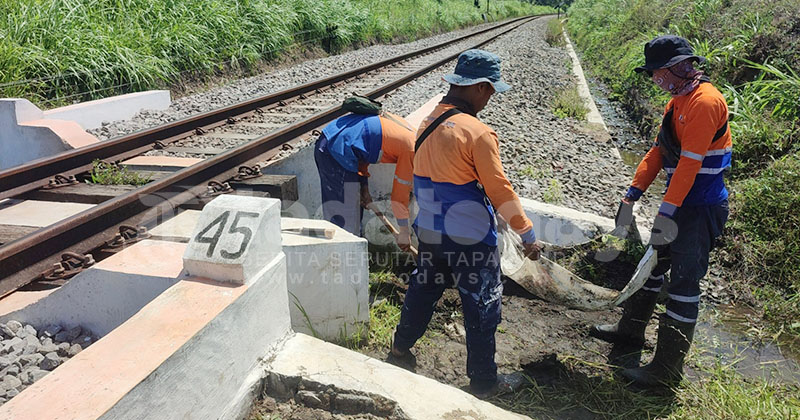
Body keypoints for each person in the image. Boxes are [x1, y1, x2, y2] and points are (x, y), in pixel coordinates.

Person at [388, 49, 541, 397]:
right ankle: (485, 382)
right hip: (469, 239)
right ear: (478, 88)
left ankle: (399, 347)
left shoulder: (427, 121)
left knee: (423, 290)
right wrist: (527, 234)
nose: (489, 98)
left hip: (429, 229)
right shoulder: (477, 132)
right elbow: (500, 190)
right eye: (489, 90)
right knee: (481, 304)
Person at [591, 35, 731, 388]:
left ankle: (666, 370)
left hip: (699, 210)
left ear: (678, 67)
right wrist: (632, 193)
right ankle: (630, 333)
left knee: (683, 283)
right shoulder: (677, 103)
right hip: (679, 203)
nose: (654, 80)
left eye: (656, 73)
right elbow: (658, 152)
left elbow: (690, 164)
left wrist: (666, 213)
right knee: (651, 266)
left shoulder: (705, 102)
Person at [314, 105, 415, 250]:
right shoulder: (412, 150)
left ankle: (353, 256)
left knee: (353, 213)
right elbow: (399, 196)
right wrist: (405, 232)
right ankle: (342, 262)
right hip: (335, 149)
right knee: (344, 217)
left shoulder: (412, 135)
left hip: (346, 147)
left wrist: (364, 187)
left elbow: (364, 148)